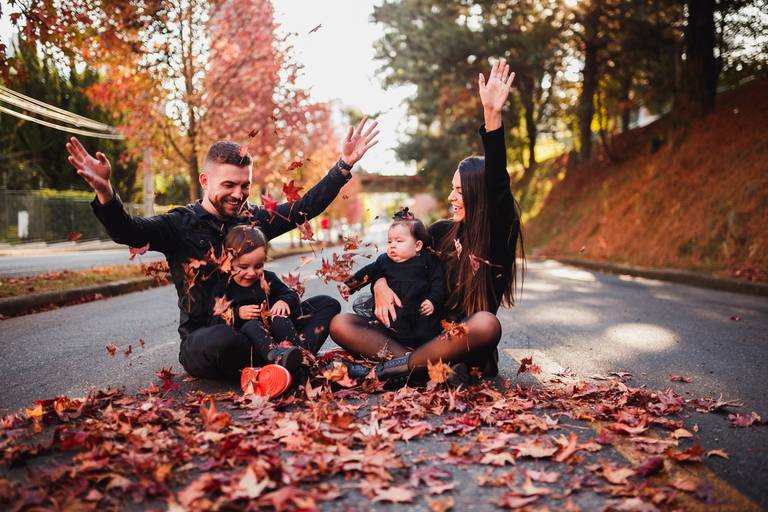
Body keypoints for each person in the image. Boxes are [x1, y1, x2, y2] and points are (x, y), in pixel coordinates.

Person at [66, 117, 379, 381]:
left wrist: (343, 166)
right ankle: (286, 365)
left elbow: (304, 207)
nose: (238, 193)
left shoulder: (255, 219)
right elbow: (129, 231)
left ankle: (284, 365)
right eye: (228, 185)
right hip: (212, 337)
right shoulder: (179, 224)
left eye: (244, 185)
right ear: (205, 180)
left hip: (266, 331)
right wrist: (106, 192)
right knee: (224, 340)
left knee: (325, 305)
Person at [329, 59, 524, 385]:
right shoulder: (438, 233)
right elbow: (396, 258)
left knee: (487, 323)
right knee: (341, 324)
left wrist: (492, 117)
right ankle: (424, 370)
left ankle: (390, 372)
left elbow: (498, 185)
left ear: (480, 195)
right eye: (451, 189)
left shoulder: (498, 236)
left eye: (460, 191)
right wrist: (378, 283)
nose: (451, 197)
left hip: (462, 346)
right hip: (416, 338)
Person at [193, 225, 305, 398]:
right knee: (251, 325)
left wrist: (283, 301)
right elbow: (212, 321)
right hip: (247, 342)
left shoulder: (268, 278)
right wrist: (237, 314)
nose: (251, 273)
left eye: (258, 265)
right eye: (243, 267)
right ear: (229, 261)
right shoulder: (223, 286)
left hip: (275, 332)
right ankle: (275, 359)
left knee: (282, 320)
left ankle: (301, 360)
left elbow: (290, 294)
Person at [339, 208, 445, 352]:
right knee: (385, 329)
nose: (392, 245)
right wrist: (350, 285)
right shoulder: (384, 260)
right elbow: (368, 273)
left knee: (427, 333)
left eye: (399, 241)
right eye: (389, 241)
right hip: (394, 321)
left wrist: (432, 300)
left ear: (417, 245)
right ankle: (397, 352)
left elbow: (439, 282)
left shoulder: (428, 261)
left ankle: (422, 354)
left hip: (421, 318)